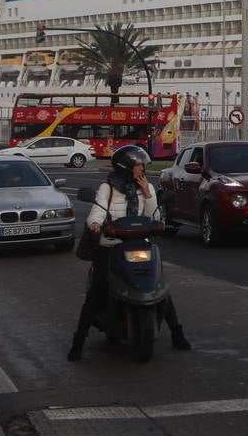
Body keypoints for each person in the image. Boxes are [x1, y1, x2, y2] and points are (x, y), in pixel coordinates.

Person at [67, 145, 191, 360]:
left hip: (139, 244)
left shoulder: (146, 187)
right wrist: (95, 224)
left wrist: (147, 194)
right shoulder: (108, 188)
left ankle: (177, 334)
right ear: (126, 167)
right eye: (138, 165)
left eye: (143, 165)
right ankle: (78, 344)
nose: (142, 169)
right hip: (111, 245)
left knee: (159, 287)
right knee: (97, 291)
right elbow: (97, 211)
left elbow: (154, 217)